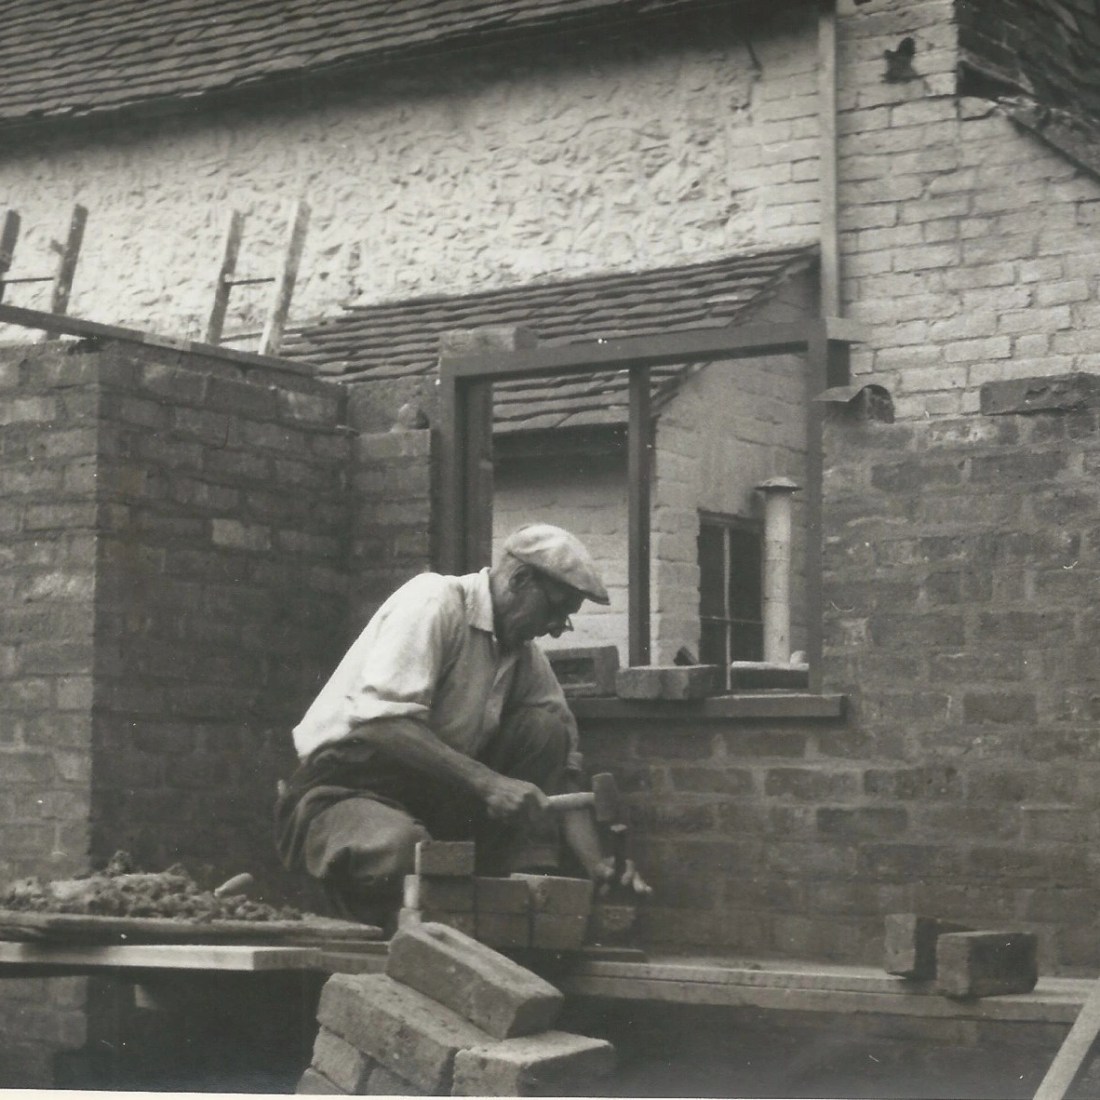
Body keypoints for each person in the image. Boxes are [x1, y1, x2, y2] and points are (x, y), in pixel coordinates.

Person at [274, 522, 650, 927]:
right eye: (556, 608)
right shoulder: (434, 602)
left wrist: (597, 867)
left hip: (432, 797)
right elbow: (380, 725)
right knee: (405, 851)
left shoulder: (523, 656)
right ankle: (374, 929)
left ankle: (482, 906)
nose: (559, 627)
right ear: (520, 579)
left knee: (545, 732)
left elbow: (566, 771)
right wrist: (489, 783)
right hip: (342, 790)